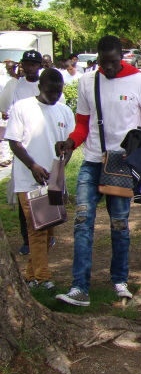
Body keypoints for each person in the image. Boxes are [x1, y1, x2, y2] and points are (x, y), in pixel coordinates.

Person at [55, 35, 141, 307]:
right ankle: (79, 287)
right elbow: (82, 124)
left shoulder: (140, 81)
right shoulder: (88, 81)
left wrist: (140, 155)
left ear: (121, 56)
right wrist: (70, 142)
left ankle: (119, 280)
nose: (108, 68)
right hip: (91, 161)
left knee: (119, 224)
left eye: (113, 62)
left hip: (122, 162)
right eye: (103, 63)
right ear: (97, 59)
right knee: (82, 221)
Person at [5, 68, 74, 290]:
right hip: (29, 178)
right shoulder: (23, 107)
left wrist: (62, 164)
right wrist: (32, 165)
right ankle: (44, 276)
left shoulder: (64, 111)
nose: (54, 96)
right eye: (50, 92)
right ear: (40, 87)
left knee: (48, 230)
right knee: (36, 228)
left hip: (53, 179)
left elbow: (69, 144)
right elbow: (14, 142)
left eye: (58, 92)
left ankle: (30, 275)